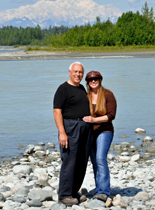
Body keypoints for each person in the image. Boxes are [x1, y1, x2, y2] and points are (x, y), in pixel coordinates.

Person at [53, 62, 93, 206]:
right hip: (70, 127)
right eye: (75, 71)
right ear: (69, 72)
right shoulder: (63, 89)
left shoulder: (82, 88)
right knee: (69, 160)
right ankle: (64, 194)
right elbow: (57, 111)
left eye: (80, 72)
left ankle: (74, 191)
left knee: (81, 161)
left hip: (85, 128)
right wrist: (62, 133)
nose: (78, 74)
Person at [83, 70, 117, 202]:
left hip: (105, 131)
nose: (93, 81)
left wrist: (94, 120)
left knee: (100, 158)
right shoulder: (85, 96)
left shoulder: (108, 94)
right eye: (90, 79)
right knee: (94, 161)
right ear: (87, 82)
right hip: (90, 133)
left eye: (96, 79)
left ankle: (104, 191)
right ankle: (99, 189)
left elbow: (111, 115)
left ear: (100, 80)